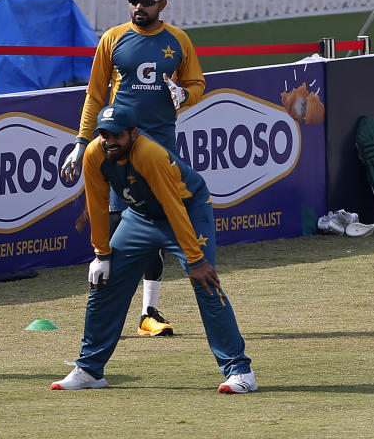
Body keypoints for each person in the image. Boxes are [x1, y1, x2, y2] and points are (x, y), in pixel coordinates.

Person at [51, 104, 255, 392]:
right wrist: (101, 253)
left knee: (205, 283)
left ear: (134, 133)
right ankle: (89, 370)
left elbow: (173, 206)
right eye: (104, 134)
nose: (109, 140)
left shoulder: (149, 154)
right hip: (140, 216)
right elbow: (97, 204)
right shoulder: (95, 153)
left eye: (117, 135)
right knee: (103, 283)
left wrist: (196, 260)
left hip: (187, 211)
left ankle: (240, 371)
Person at [61, 0, 206, 336]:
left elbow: (197, 83)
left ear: (162, 4)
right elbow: (95, 94)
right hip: (115, 146)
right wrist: (81, 142)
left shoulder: (178, 40)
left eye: (146, 0)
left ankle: (149, 314)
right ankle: (104, 306)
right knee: (113, 225)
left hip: (159, 145)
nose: (138, 6)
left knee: (155, 222)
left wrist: (186, 96)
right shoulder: (112, 39)